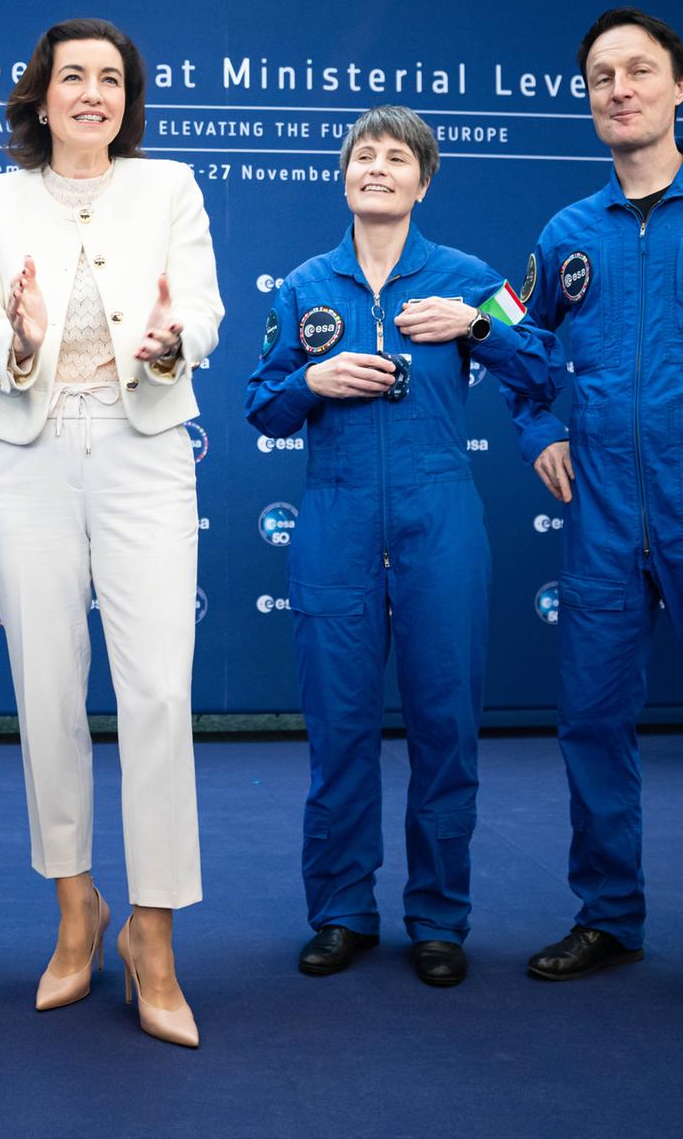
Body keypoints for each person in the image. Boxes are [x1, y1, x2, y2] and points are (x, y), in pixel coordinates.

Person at [0, 18, 222, 1047]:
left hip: (145, 444)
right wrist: (14, 341)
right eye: (75, 77)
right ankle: (77, 910)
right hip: (26, 451)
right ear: (42, 93)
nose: (93, 94)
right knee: (48, 687)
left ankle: (152, 936)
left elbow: (201, 309)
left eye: (111, 79)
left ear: (128, 100)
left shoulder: (170, 188)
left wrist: (172, 339)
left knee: (156, 689)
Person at [246, 106, 563, 987]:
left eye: (396, 158)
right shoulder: (307, 285)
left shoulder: (469, 278)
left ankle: (437, 918)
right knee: (339, 729)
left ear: (424, 182)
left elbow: (537, 364)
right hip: (335, 519)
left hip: (439, 516)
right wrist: (312, 379)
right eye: (362, 156)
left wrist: (475, 325)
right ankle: (342, 912)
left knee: (445, 727)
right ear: (344, 178)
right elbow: (260, 404)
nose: (376, 167)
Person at [509, 9, 683, 981]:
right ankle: (610, 914)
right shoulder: (567, 233)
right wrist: (537, 429)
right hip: (606, 515)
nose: (619, 88)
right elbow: (519, 339)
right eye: (602, 77)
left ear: (676, 88)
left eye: (640, 71)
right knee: (591, 718)